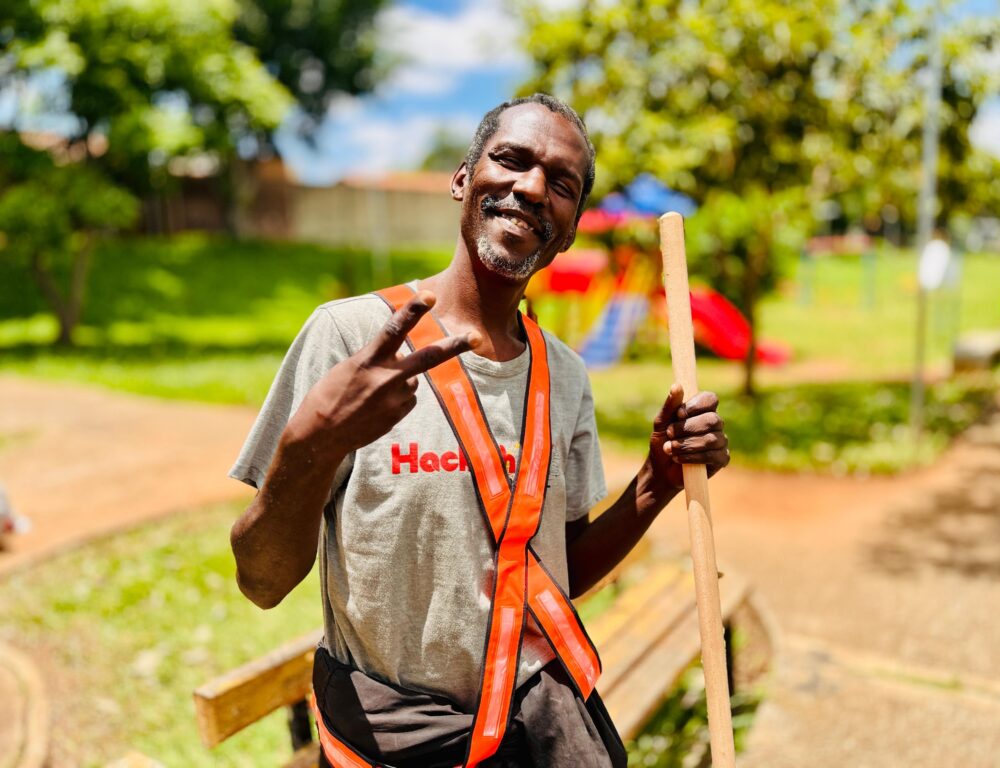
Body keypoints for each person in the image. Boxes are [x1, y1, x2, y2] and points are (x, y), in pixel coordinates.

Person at [229, 94, 730, 768]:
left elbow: (559, 570)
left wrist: (657, 482)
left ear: (570, 230)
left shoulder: (565, 375)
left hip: (530, 735)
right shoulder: (350, 339)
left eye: (561, 185)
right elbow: (261, 582)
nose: (532, 188)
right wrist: (312, 444)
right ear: (463, 178)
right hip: (393, 744)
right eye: (512, 160)